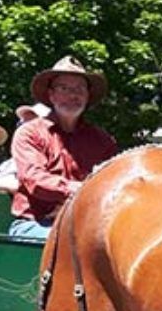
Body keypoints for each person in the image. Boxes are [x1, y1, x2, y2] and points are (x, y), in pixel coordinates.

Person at [8, 57, 117, 240]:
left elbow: (113, 183)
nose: (73, 95)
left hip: (86, 224)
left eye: (79, 89)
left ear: (87, 96)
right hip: (35, 224)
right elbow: (34, 179)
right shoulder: (30, 133)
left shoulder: (103, 141)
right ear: (51, 95)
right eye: (64, 88)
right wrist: (78, 191)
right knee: (74, 244)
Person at [0, 103, 47, 194]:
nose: (23, 129)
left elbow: (41, 187)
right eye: (21, 124)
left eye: (30, 125)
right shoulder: (9, 163)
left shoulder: (51, 160)